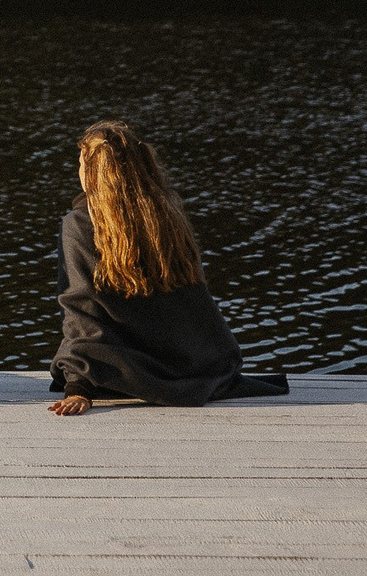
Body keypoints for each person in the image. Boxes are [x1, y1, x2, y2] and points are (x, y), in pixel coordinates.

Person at [47, 120, 288, 415]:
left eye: (81, 163)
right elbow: (192, 299)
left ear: (93, 174)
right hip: (196, 362)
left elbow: (81, 309)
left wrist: (79, 386)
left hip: (130, 367)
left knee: (69, 353)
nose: (78, 172)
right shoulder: (165, 211)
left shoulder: (80, 224)